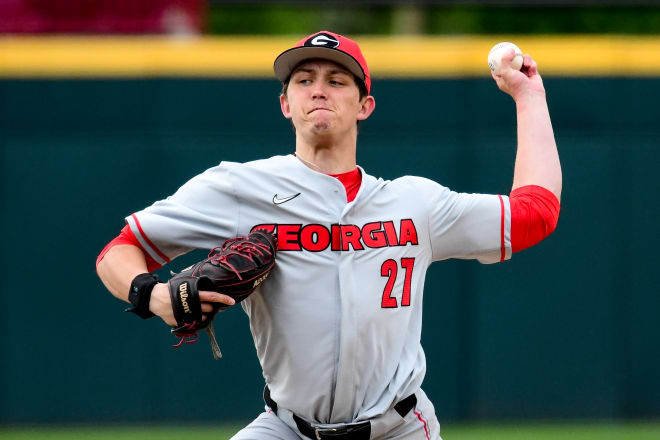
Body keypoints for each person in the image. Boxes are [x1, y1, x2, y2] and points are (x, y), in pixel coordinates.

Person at [96, 31, 561, 440]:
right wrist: (153, 296)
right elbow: (118, 251)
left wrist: (529, 95)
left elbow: (536, 213)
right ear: (286, 104)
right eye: (304, 80)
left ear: (364, 106)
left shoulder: (415, 204)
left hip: (398, 429)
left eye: (337, 81)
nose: (319, 90)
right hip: (287, 428)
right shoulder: (239, 188)